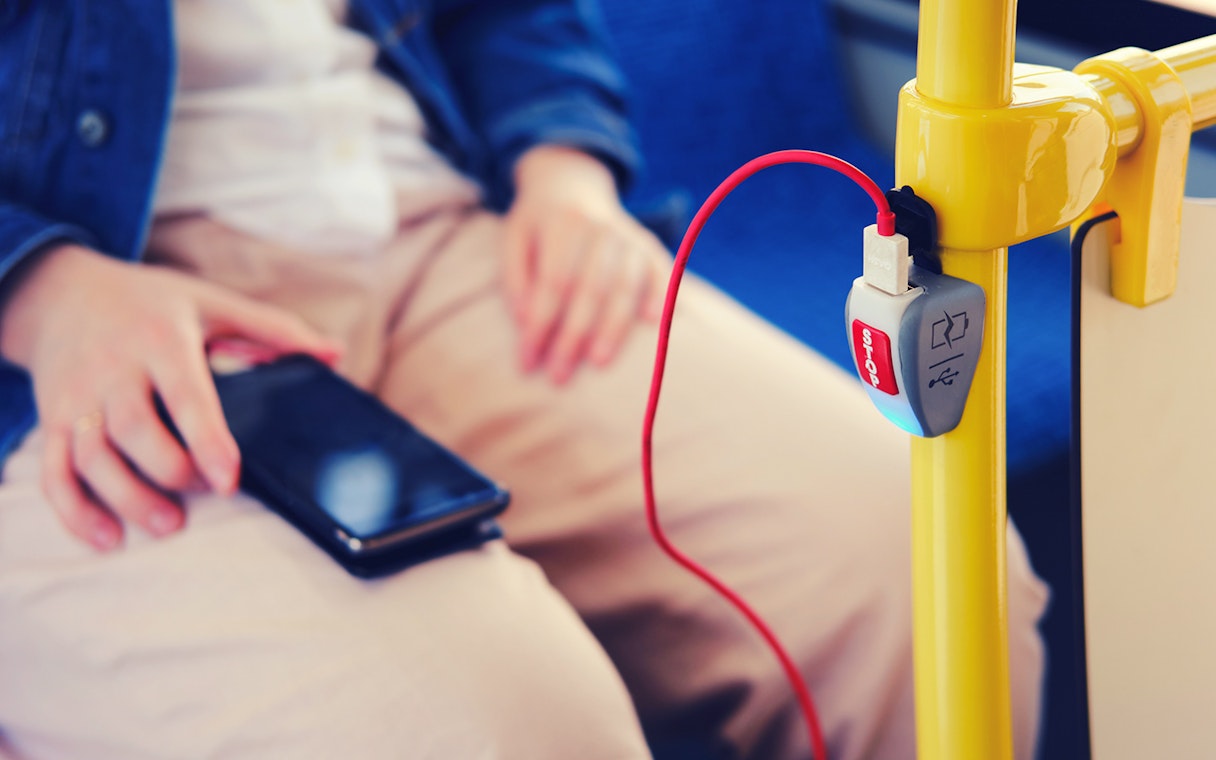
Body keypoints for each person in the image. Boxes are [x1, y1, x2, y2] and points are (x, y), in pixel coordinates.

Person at [0, 1, 1049, 758]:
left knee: (925, 570)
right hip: (74, 319)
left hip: (426, 214)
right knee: (505, 725)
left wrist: (562, 160)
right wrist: (41, 289)